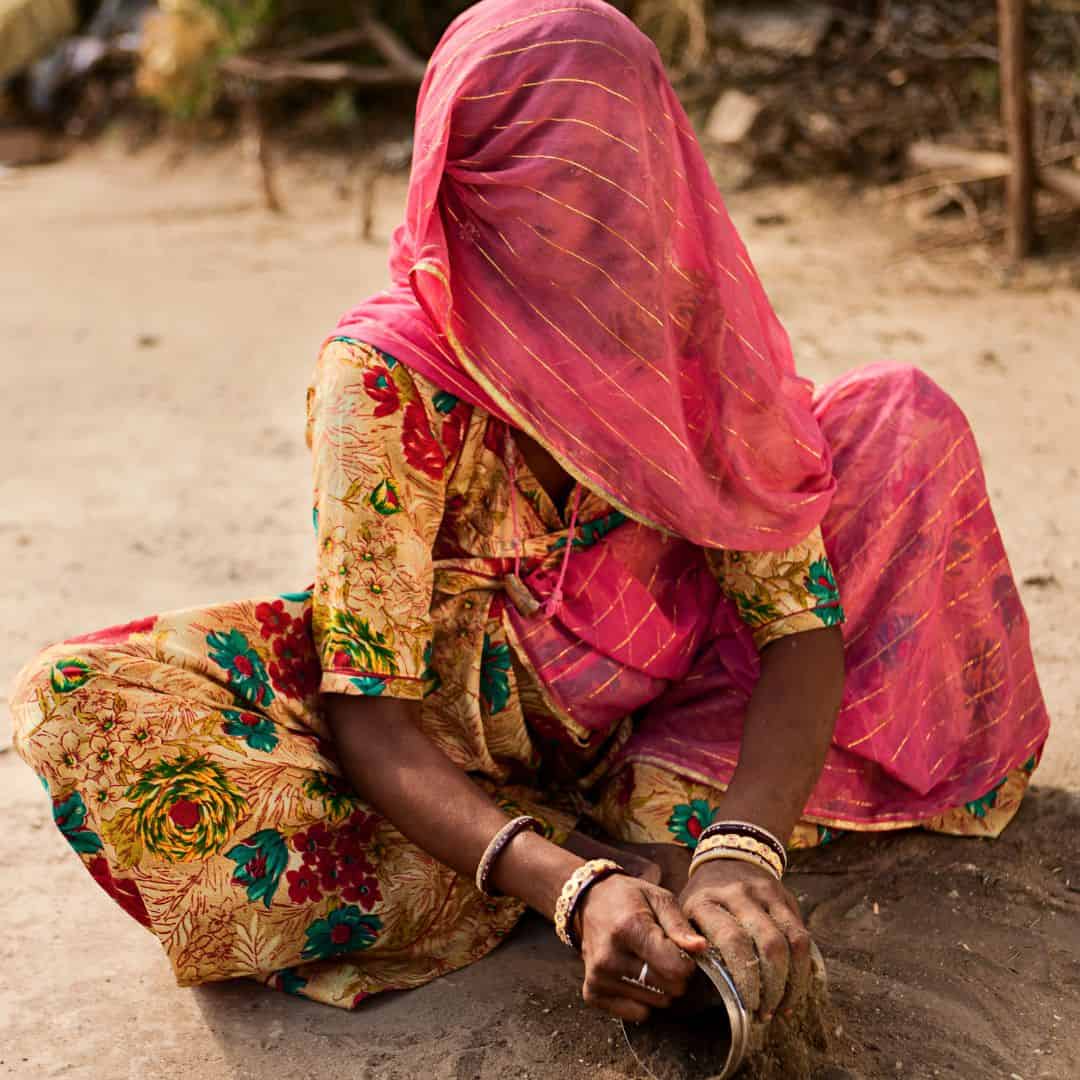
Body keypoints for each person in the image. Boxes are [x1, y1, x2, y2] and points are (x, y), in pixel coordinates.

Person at [10, 0, 1049, 1024]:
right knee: (86, 698)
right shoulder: (384, 380)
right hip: (448, 757)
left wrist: (742, 855)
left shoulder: (674, 328)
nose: (595, 226)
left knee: (894, 421)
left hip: (668, 725)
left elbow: (795, 621)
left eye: (620, 183)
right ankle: (582, 862)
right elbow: (368, 713)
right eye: (555, 189)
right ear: (467, 182)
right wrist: (570, 885)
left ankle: (654, 850)